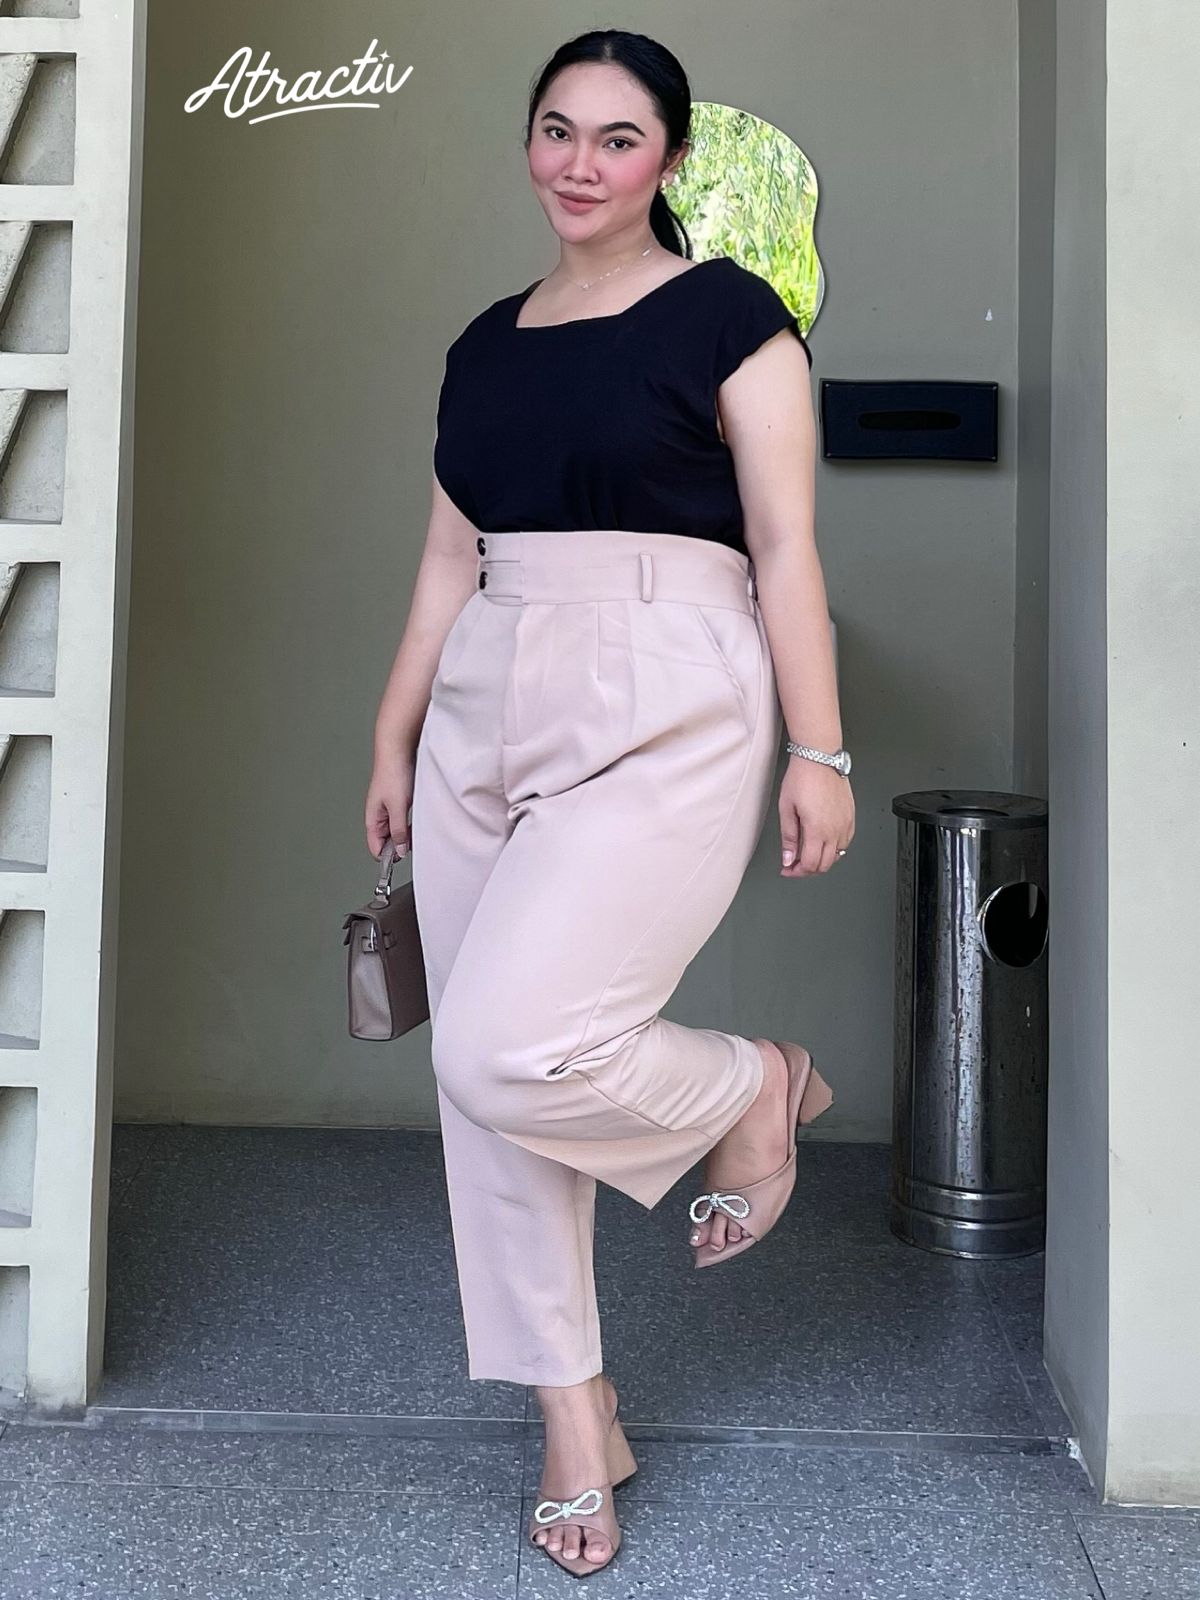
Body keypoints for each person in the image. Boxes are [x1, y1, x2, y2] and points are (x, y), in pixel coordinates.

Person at [364, 28, 855, 1579]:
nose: (580, 163)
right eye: (557, 130)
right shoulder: (484, 344)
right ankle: (578, 1420)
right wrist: (390, 735)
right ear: (529, 142)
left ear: (670, 159)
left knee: (515, 1040)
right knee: (478, 1083)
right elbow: (446, 559)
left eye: (619, 137)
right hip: (482, 689)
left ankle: (752, 1090)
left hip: (667, 685)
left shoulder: (731, 317)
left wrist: (822, 751)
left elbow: (786, 546)